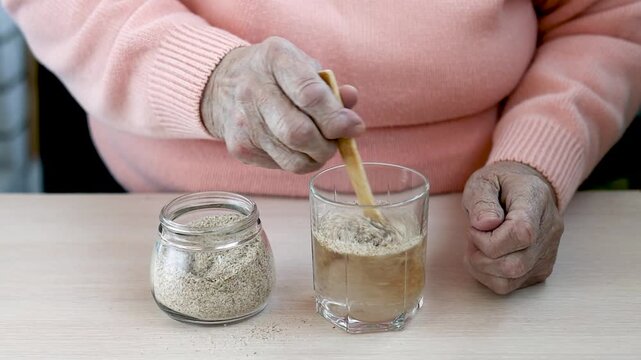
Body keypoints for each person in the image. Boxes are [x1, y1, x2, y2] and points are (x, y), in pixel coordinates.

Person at [3, 1, 640, 294]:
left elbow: (604, 18)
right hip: (157, 212)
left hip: (463, 240)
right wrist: (210, 78)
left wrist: (538, 155)